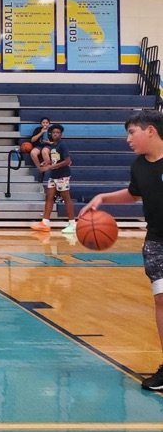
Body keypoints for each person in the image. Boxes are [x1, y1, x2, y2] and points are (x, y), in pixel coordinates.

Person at [80, 108, 163, 391]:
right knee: (162, 301)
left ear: (150, 130)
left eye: (132, 133)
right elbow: (134, 193)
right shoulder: (139, 166)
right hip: (157, 242)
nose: (128, 139)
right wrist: (103, 197)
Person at [30, 123, 76, 234]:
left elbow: (67, 161)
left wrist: (51, 167)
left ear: (61, 134)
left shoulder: (62, 145)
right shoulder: (52, 146)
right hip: (54, 175)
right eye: (54, 132)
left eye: (58, 133)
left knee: (66, 198)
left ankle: (72, 223)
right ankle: (45, 222)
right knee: (49, 196)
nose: (56, 134)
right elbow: (54, 160)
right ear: (51, 134)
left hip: (62, 175)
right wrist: (45, 164)